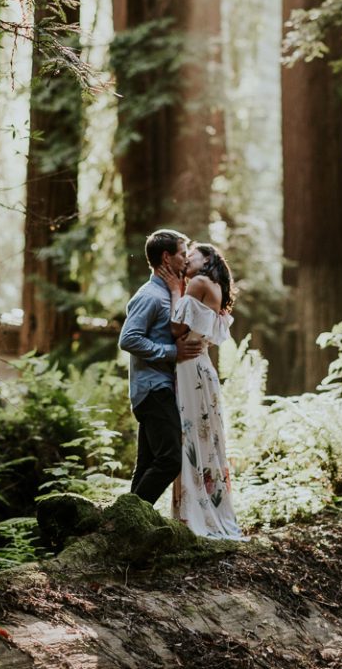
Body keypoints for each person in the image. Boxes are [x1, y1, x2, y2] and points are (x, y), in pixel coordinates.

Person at [162, 241, 246, 540]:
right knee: (202, 435)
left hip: (190, 367)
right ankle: (203, 509)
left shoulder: (198, 282)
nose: (187, 260)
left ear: (207, 259)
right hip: (201, 366)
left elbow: (174, 328)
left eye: (193, 255)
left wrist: (174, 289)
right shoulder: (212, 286)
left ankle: (191, 515)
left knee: (189, 434)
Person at [118, 229, 203, 505]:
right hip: (153, 389)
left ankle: (125, 526)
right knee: (169, 459)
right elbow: (128, 339)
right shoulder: (150, 296)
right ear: (167, 257)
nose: (186, 259)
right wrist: (171, 352)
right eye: (182, 253)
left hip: (160, 387)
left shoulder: (170, 292)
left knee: (148, 463)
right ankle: (129, 520)